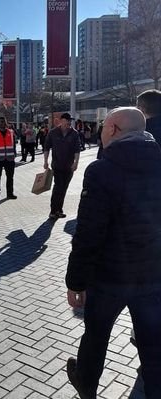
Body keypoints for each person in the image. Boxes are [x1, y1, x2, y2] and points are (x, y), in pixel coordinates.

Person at [65, 107, 161, 399]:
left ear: (115, 130)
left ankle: (86, 385)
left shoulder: (102, 170)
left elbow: (89, 233)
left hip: (109, 278)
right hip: (152, 277)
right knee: (153, 344)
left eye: (103, 127)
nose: (100, 134)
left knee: (95, 337)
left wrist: (75, 281)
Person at [44, 113, 80, 219]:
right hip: (57, 165)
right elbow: (46, 147)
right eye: (67, 120)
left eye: (70, 120)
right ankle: (53, 211)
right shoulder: (53, 133)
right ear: (61, 121)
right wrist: (45, 161)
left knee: (64, 188)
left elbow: (77, 150)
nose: (69, 122)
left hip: (69, 167)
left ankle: (59, 210)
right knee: (58, 187)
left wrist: (76, 163)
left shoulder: (74, 133)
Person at [0, 116, 17, 201]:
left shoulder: (11, 132)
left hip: (9, 158)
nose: (2, 123)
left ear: (6, 122)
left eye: (4, 121)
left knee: (10, 177)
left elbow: (14, 144)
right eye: (0, 121)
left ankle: (10, 193)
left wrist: (15, 154)